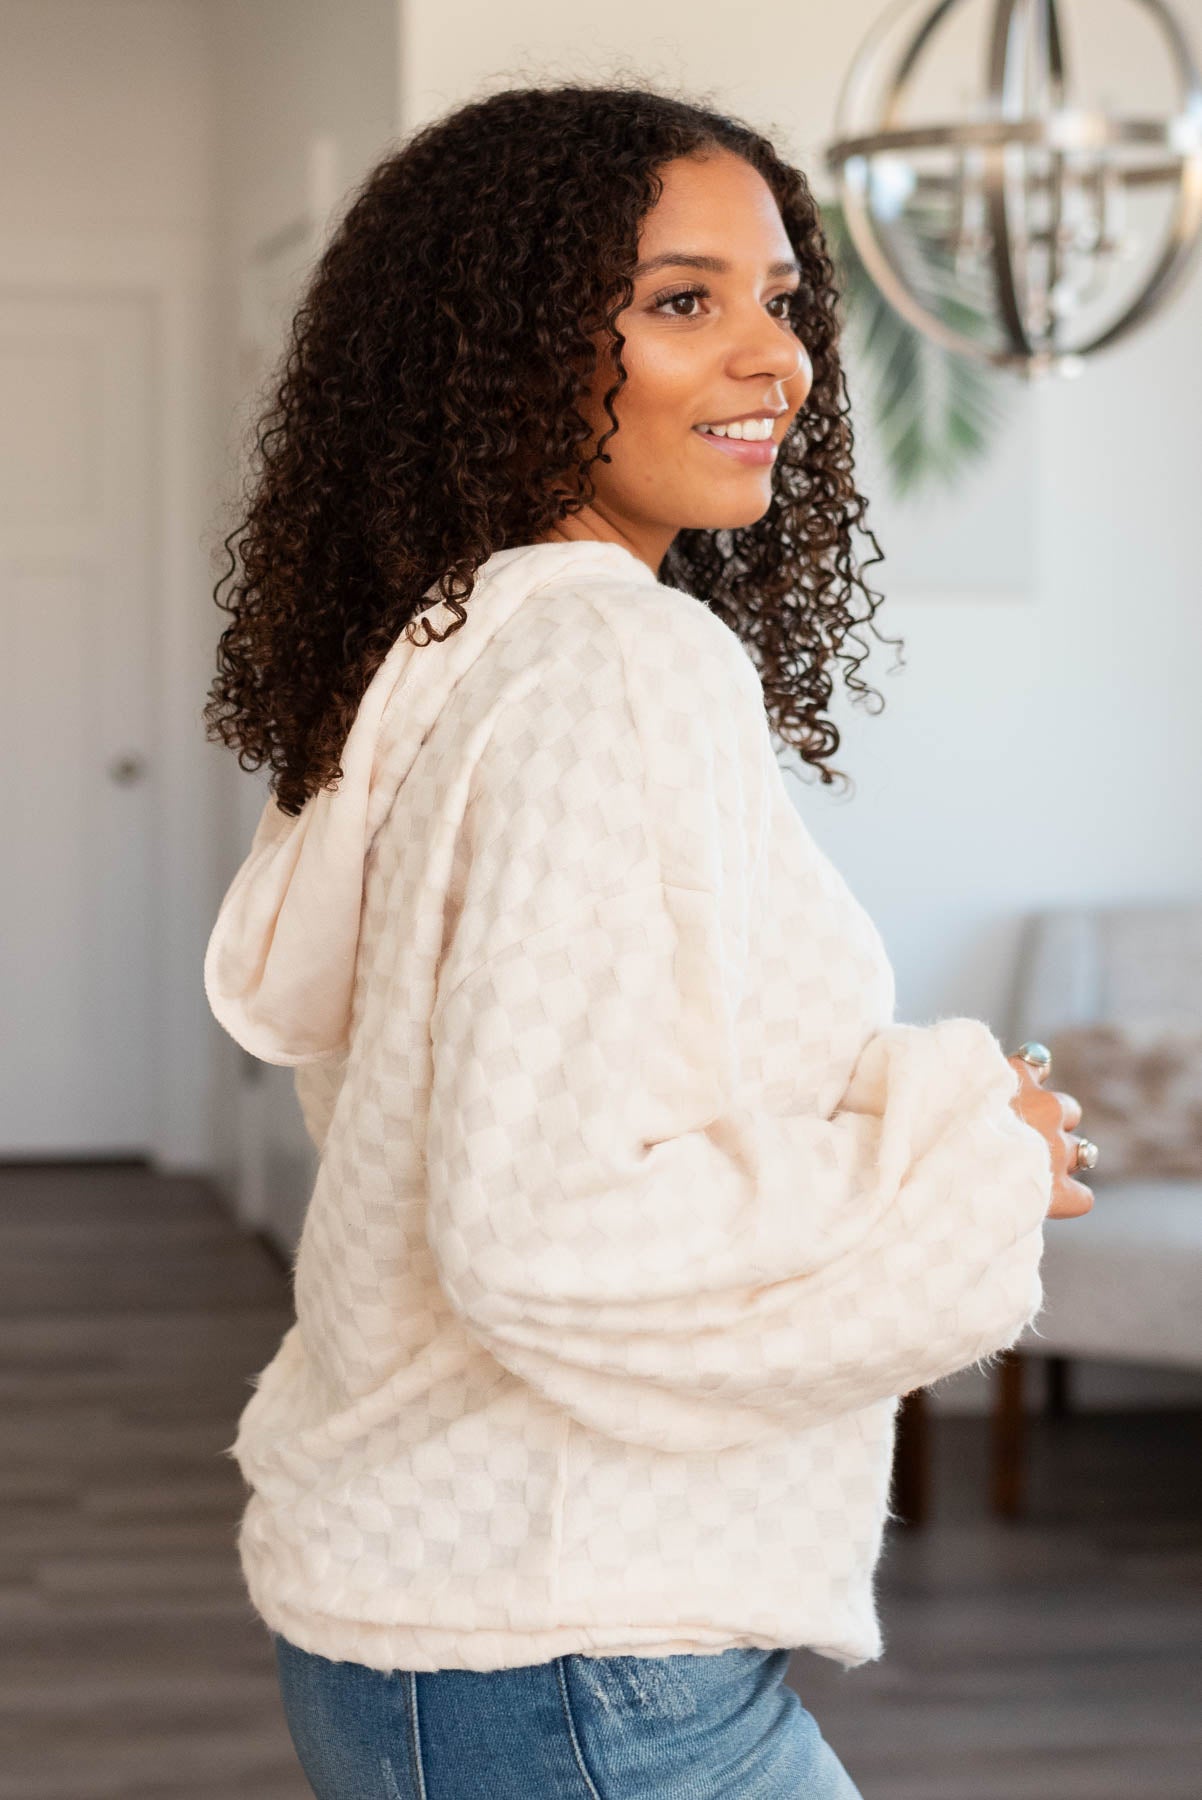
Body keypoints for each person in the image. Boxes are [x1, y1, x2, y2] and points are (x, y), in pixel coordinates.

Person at [202, 80, 1095, 1800]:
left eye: (781, 300)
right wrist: (966, 1159)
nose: (777, 360)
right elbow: (551, 1228)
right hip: (573, 1659)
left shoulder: (451, 652)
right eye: (682, 302)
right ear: (507, 343)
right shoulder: (619, 665)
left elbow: (478, 1131)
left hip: (457, 1624)